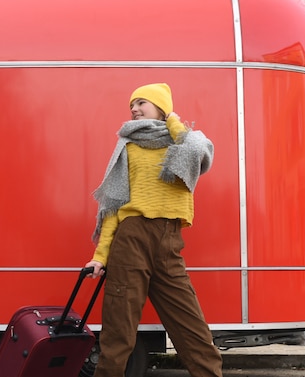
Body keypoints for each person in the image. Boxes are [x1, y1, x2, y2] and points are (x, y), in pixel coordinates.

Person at [85, 82, 223, 377]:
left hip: (169, 241)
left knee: (192, 327)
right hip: (131, 237)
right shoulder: (128, 146)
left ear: (160, 106)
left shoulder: (184, 142)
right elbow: (113, 206)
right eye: (131, 105)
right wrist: (101, 255)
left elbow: (199, 150)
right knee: (118, 331)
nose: (134, 109)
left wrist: (171, 119)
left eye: (141, 103)